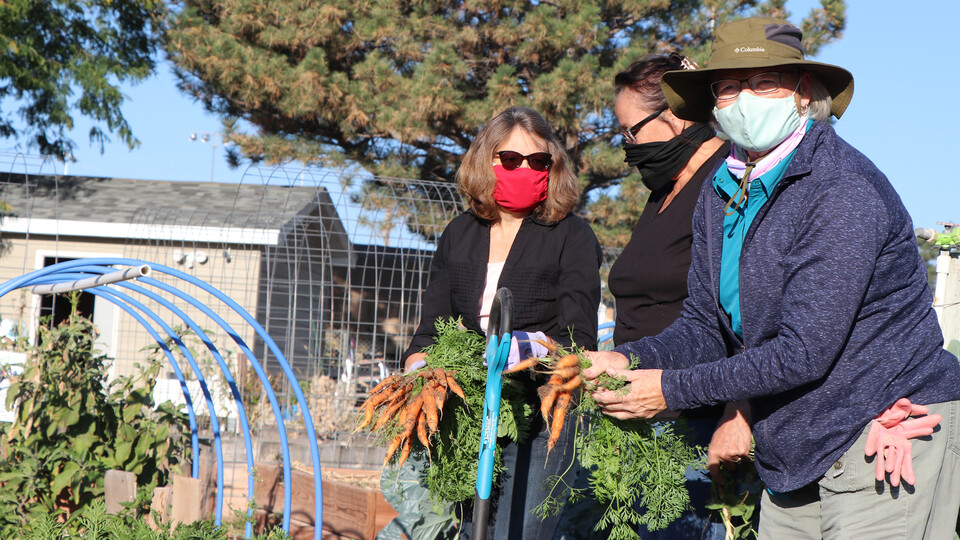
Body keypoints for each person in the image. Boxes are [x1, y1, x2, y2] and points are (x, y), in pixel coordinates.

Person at [584, 17, 960, 539]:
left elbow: (804, 350)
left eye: (764, 83)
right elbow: (703, 324)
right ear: (712, 103)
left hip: (882, 428)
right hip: (796, 444)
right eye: (730, 87)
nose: (745, 99)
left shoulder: (840, 190)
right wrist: (630, 359)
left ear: (804, 93)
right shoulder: (723, 190)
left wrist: (670, 389)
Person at [382, 106, 603, 540]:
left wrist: (533, 348)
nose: (525, 169)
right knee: (467, 531)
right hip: (466, 414)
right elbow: (430, 330)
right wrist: (422, 375)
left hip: (542, 414)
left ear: (552, 168)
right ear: (486, 161)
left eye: (538, 162)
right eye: (511, 160)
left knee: (519, 532)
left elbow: (579, 336)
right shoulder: (459, 234)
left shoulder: (570, 235)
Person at [556, 53, 739, 540]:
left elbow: (737, 319)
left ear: (675, 115)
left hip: (686, 424)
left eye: (632, 131)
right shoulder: (664, 191)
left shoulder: (725, 187)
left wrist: (732, 413)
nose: (627, 147)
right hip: (631, 415)